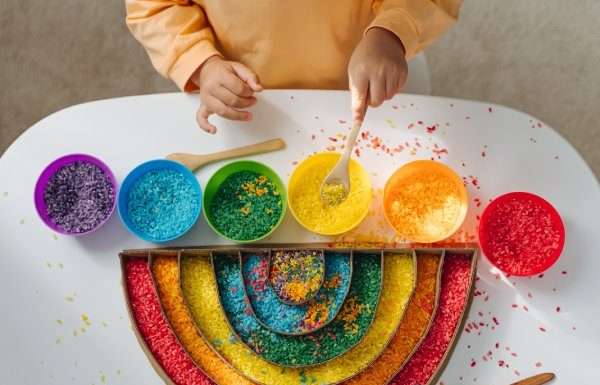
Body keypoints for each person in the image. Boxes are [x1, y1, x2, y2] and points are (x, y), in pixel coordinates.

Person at [126, 1, 462, 133]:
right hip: (238, 91)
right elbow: (155, 8)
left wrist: (391, 32)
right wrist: (200, 63)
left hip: (376, 71)